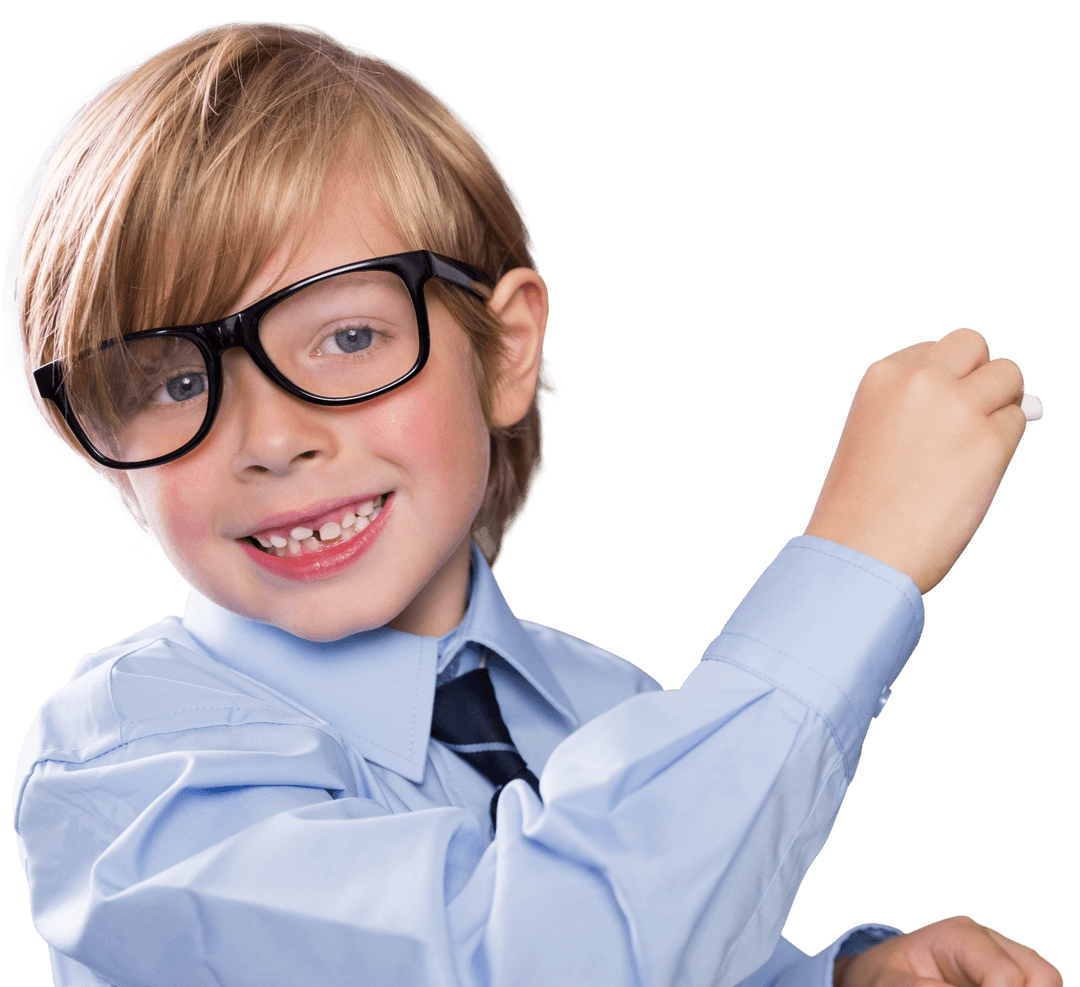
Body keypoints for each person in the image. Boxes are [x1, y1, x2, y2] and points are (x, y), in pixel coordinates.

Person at [4, 20, 1059, 987]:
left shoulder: (605, 705)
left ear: (505, 350)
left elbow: (672, 948)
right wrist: (854, 563)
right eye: (174, 381)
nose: (273, 439)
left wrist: (830, 984)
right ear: (107, 456)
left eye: (348, 336)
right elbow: (526, 957)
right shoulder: (127, 768)